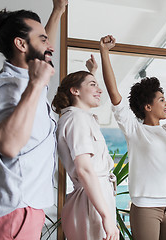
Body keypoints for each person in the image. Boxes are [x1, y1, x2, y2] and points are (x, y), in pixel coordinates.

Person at [0, 1, 67, 239]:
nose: (51, 46)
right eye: (43, 39)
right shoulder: (8, 86)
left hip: (26, 209)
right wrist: (37, 83)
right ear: (21, 44)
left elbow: (42, 50)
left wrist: (57, 11)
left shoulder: (28, 81)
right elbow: (7, 145)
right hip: (14, 212)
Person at [95, 35, 166, 240]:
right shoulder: (134, 129)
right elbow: (114, 93)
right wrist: (104, 52)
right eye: (162, 100)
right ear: (148, 107)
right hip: (145, 207)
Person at [52, 59, 120, 240]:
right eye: (93, 85)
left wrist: (92, 73)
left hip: (94, 197)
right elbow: (84, 169)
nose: (99, 90)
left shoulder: (80, 117)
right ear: (75, 91)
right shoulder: (77, 119)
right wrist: (105, 216)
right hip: (92, 199)